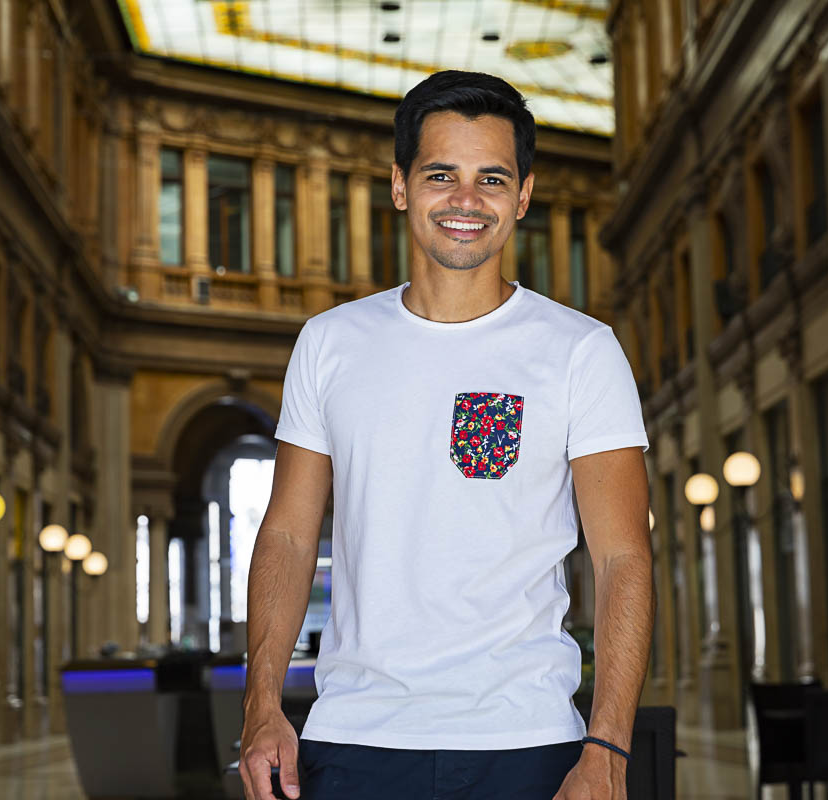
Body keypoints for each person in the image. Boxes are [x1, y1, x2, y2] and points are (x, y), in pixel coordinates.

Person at [238, 70, 654, 800]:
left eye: (491, 178)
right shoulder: (331, 342)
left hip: (525, 741)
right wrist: (261, 704)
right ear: (400, 186)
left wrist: (608, 746)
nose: (466, 201)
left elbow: (623, 557)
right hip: (356, 738)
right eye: (441, 175)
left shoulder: (580, 350)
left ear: (523, 196)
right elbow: (289, 537)